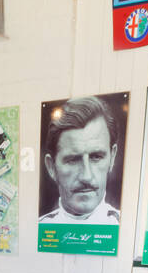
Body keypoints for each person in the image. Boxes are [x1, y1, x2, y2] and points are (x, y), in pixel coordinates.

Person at [40, 96, 121, 224]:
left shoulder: (127, 227)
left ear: (112, 157)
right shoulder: (38, 228)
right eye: (72, 160)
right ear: (51, 167)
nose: (86, 177)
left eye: (96, 157)